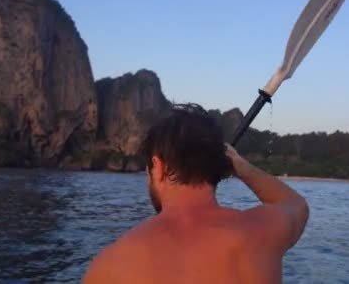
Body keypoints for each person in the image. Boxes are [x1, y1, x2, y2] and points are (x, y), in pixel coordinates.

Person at [83, 104, 309, 283]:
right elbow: (296, 204)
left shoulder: (111, 266)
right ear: (219, 166)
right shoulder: (262, 233)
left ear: (158, 167)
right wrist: (242, 167)